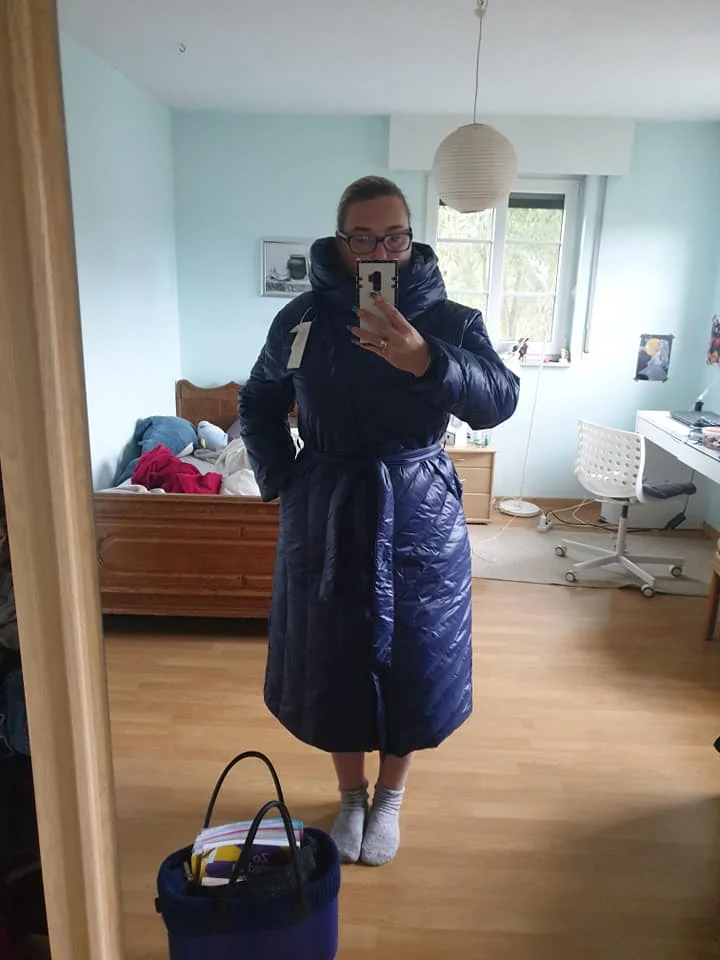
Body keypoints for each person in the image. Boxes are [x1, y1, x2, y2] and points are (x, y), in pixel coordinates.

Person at [239, 176, 519, 866]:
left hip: (419, 509)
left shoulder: (451, 321)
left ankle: (390, 796)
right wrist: (284, 478)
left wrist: (427, 359)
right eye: (363, 238)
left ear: (411, 238)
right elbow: (259, 399)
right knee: (334, 654)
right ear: (341, 242)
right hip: (325, 505)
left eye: (393, 237)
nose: (380, 252)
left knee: (415, 657)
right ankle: (349, 795)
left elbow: (500, 400)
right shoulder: (302, 319)